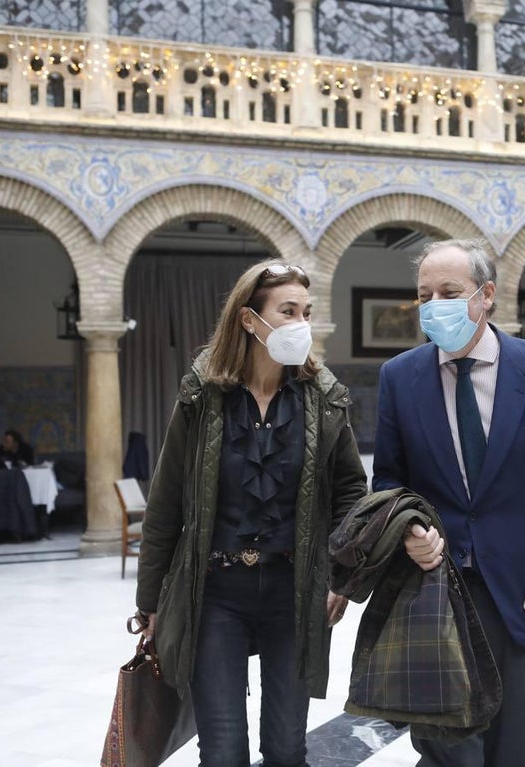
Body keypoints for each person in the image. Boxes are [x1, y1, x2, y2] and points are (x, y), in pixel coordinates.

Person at [372, 238, 525, 767]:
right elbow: (390, 483)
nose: (434, 304)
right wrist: (409, 530)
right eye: (424, 295)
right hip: (434, 590)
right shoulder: (400, 377)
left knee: (511, 749)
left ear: (486, 295)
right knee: (447, 750)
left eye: (449, 291)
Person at [135, 260, 367, 767]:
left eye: (306, 312)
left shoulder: (322, 397)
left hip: (294, 592)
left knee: (286, 749)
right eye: (288, 311)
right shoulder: (203, 394)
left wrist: (341, 573)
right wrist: (149, 602)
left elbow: (351, 487)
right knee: (223, 751)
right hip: (215, 594)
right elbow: (167, 501)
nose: (301, 324)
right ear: (248, 320)